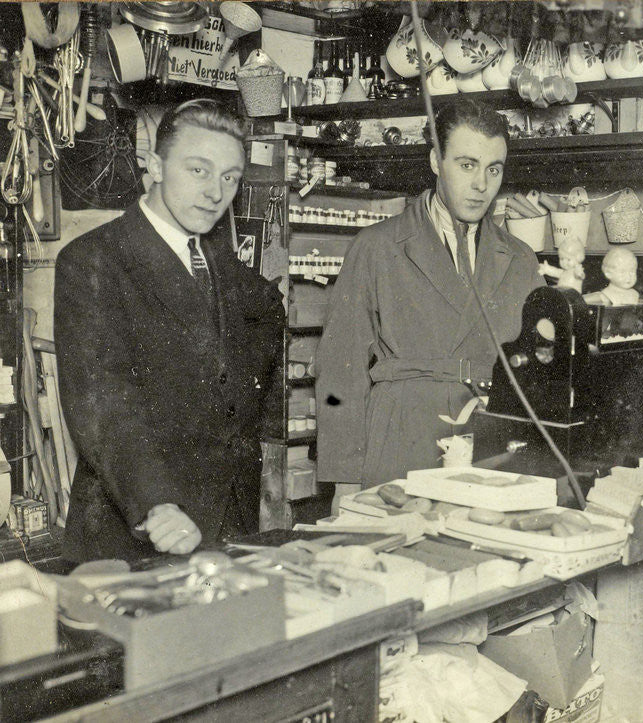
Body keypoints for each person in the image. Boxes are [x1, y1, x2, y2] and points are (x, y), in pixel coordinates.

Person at [54, 100, 284, 562]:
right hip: (141, 530)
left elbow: (257, 336)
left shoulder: (220, 264)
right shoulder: (94, 260)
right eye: (199, 170)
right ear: (155, 167)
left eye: (230, 177)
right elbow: (103, 402)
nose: (216, 192)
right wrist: (156, 504)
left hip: (228, 525)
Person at [316, 99, 542, 487]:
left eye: (493, 169)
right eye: (466, 165)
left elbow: (539, 369)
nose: (480, 185)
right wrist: (345, 479)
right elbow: (340, 370)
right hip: (400, 439)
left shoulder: (520, 259)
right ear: (436, 161)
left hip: (489, 447)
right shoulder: (378, 247)